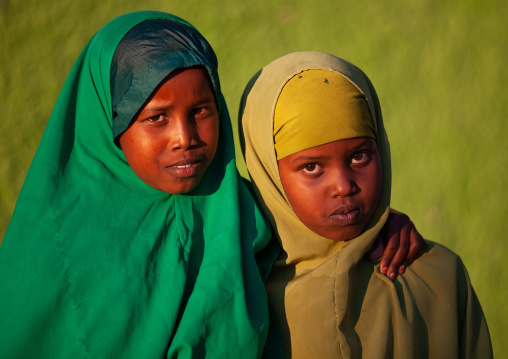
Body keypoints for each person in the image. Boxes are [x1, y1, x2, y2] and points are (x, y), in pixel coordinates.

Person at [0, 12, 423, 357]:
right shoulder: (49, 252)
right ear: (108, 124)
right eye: (157, 118)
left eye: (201, 110)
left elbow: (319, 227)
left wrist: (381, 226)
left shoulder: (241, 212)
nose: (185, 138)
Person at [239, 51, 493, 358]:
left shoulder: (438, 278)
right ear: (268, 173)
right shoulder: (243, 297)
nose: (344, 186)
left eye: (359, 156)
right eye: (311, 167)